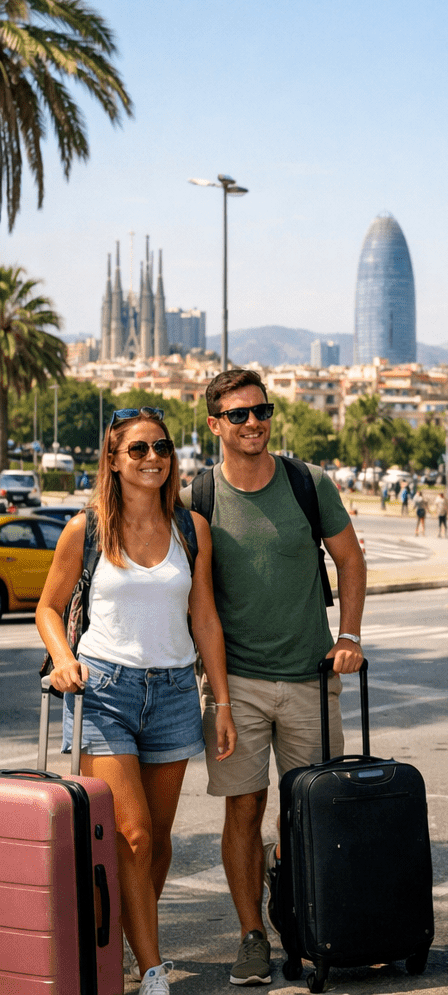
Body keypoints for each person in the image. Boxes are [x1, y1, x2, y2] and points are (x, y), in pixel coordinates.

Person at [36, 407, 237, 995]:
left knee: (158, 843)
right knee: (133, 835)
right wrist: (64, 659)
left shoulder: (190, 529)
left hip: (173, 694)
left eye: (162, 448)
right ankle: (152, 970)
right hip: (103, 692)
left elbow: (205, 617)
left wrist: (221, 703)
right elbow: (48, 608)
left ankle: (120, 942)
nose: (154, 458)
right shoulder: (87, 528)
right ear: (114, 459)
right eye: (139, 449)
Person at [180, 370, 365, 986]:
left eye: (261, 411)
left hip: (312, 678)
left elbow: (350, 558)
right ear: (215, 425)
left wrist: (349, 637)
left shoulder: (308, 483)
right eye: (238, 414)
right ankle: (252, 935)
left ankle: (308, 920)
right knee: (244, 806)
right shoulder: (199, 496)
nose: (253, 422)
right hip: (237, 685)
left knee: (313, 811)